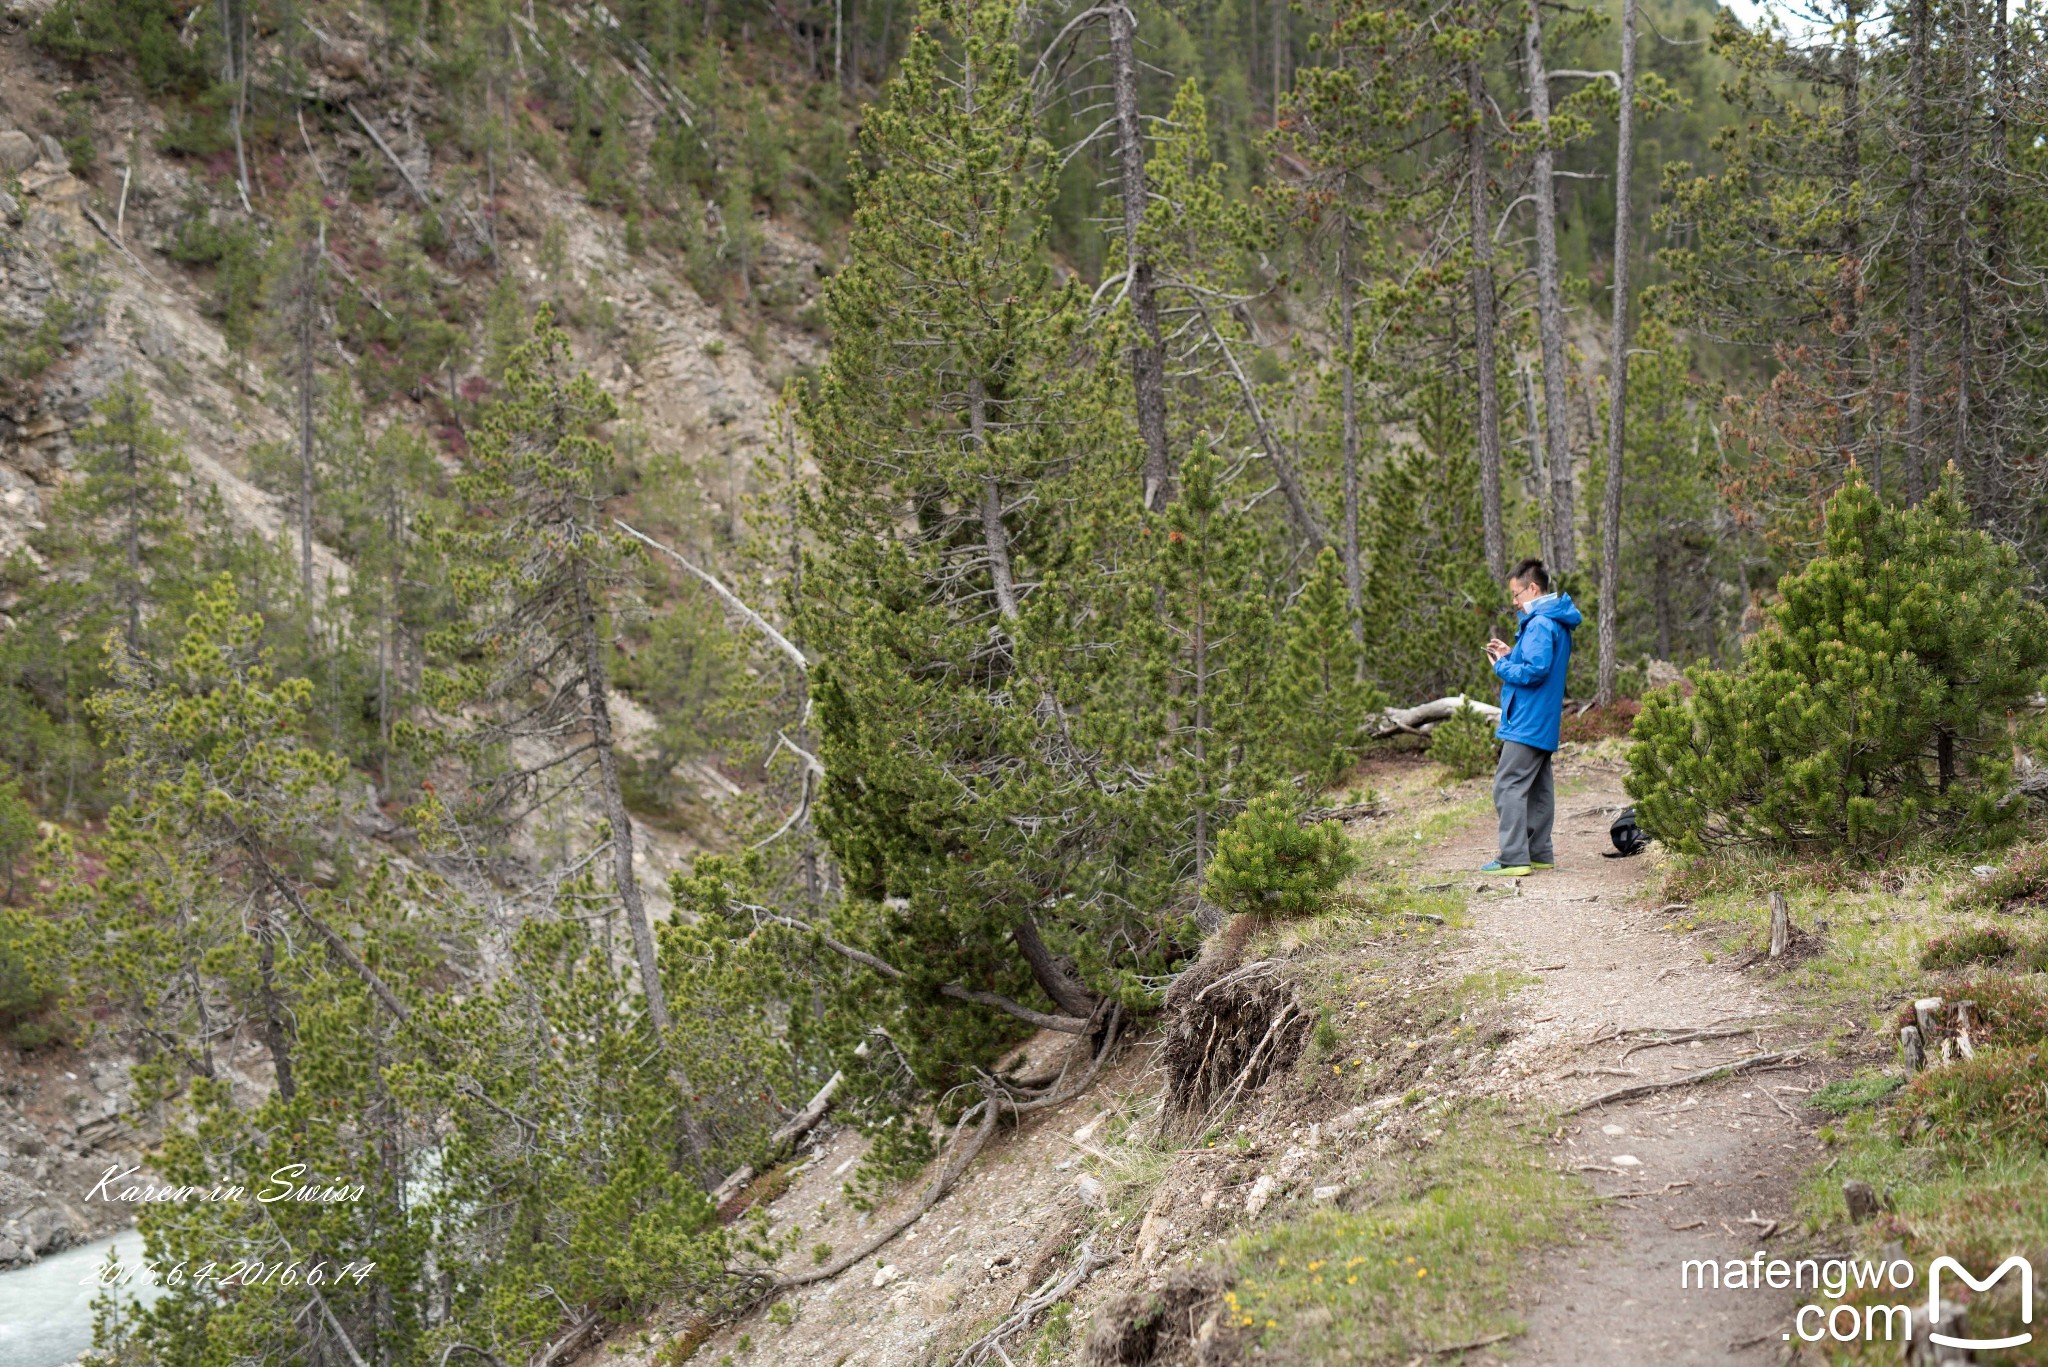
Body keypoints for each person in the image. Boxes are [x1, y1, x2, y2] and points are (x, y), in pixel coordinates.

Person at [1479, 559, 1582, 876]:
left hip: (1527, 721)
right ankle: (1539, 853)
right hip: (1544, 721)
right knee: (1538, 787)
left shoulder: (1539, 623)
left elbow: (1536, 672)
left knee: (1507, 785)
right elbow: (1539, 664)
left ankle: (1513, 857)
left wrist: (1501, 666)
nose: (1514, 602)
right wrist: (1512, 654)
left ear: (1533, 588)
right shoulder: (1552, 621)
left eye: (1516, 594)